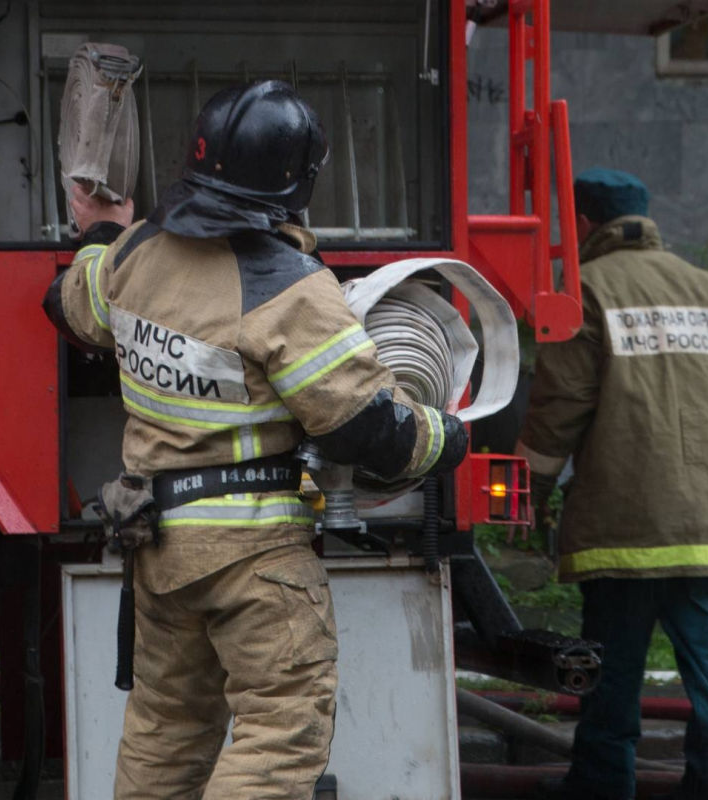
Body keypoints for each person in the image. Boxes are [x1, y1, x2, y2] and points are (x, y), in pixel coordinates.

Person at [43, 81, 467, 800]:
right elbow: (369, 431)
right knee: (279, 734)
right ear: (298, 185)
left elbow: (69, 301)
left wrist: (104, 230)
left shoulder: (138, 255)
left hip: (158, 545)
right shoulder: (290, 288)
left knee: (165, 734)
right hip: (254, 555)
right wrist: (447, 435)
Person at [516, 168, 708, 800]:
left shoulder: (587, 288)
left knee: (613, 670)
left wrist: (527, 496)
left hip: (625, 527)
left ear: (581, 223)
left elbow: (560, 406)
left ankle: (603, 783)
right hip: (706, 527)